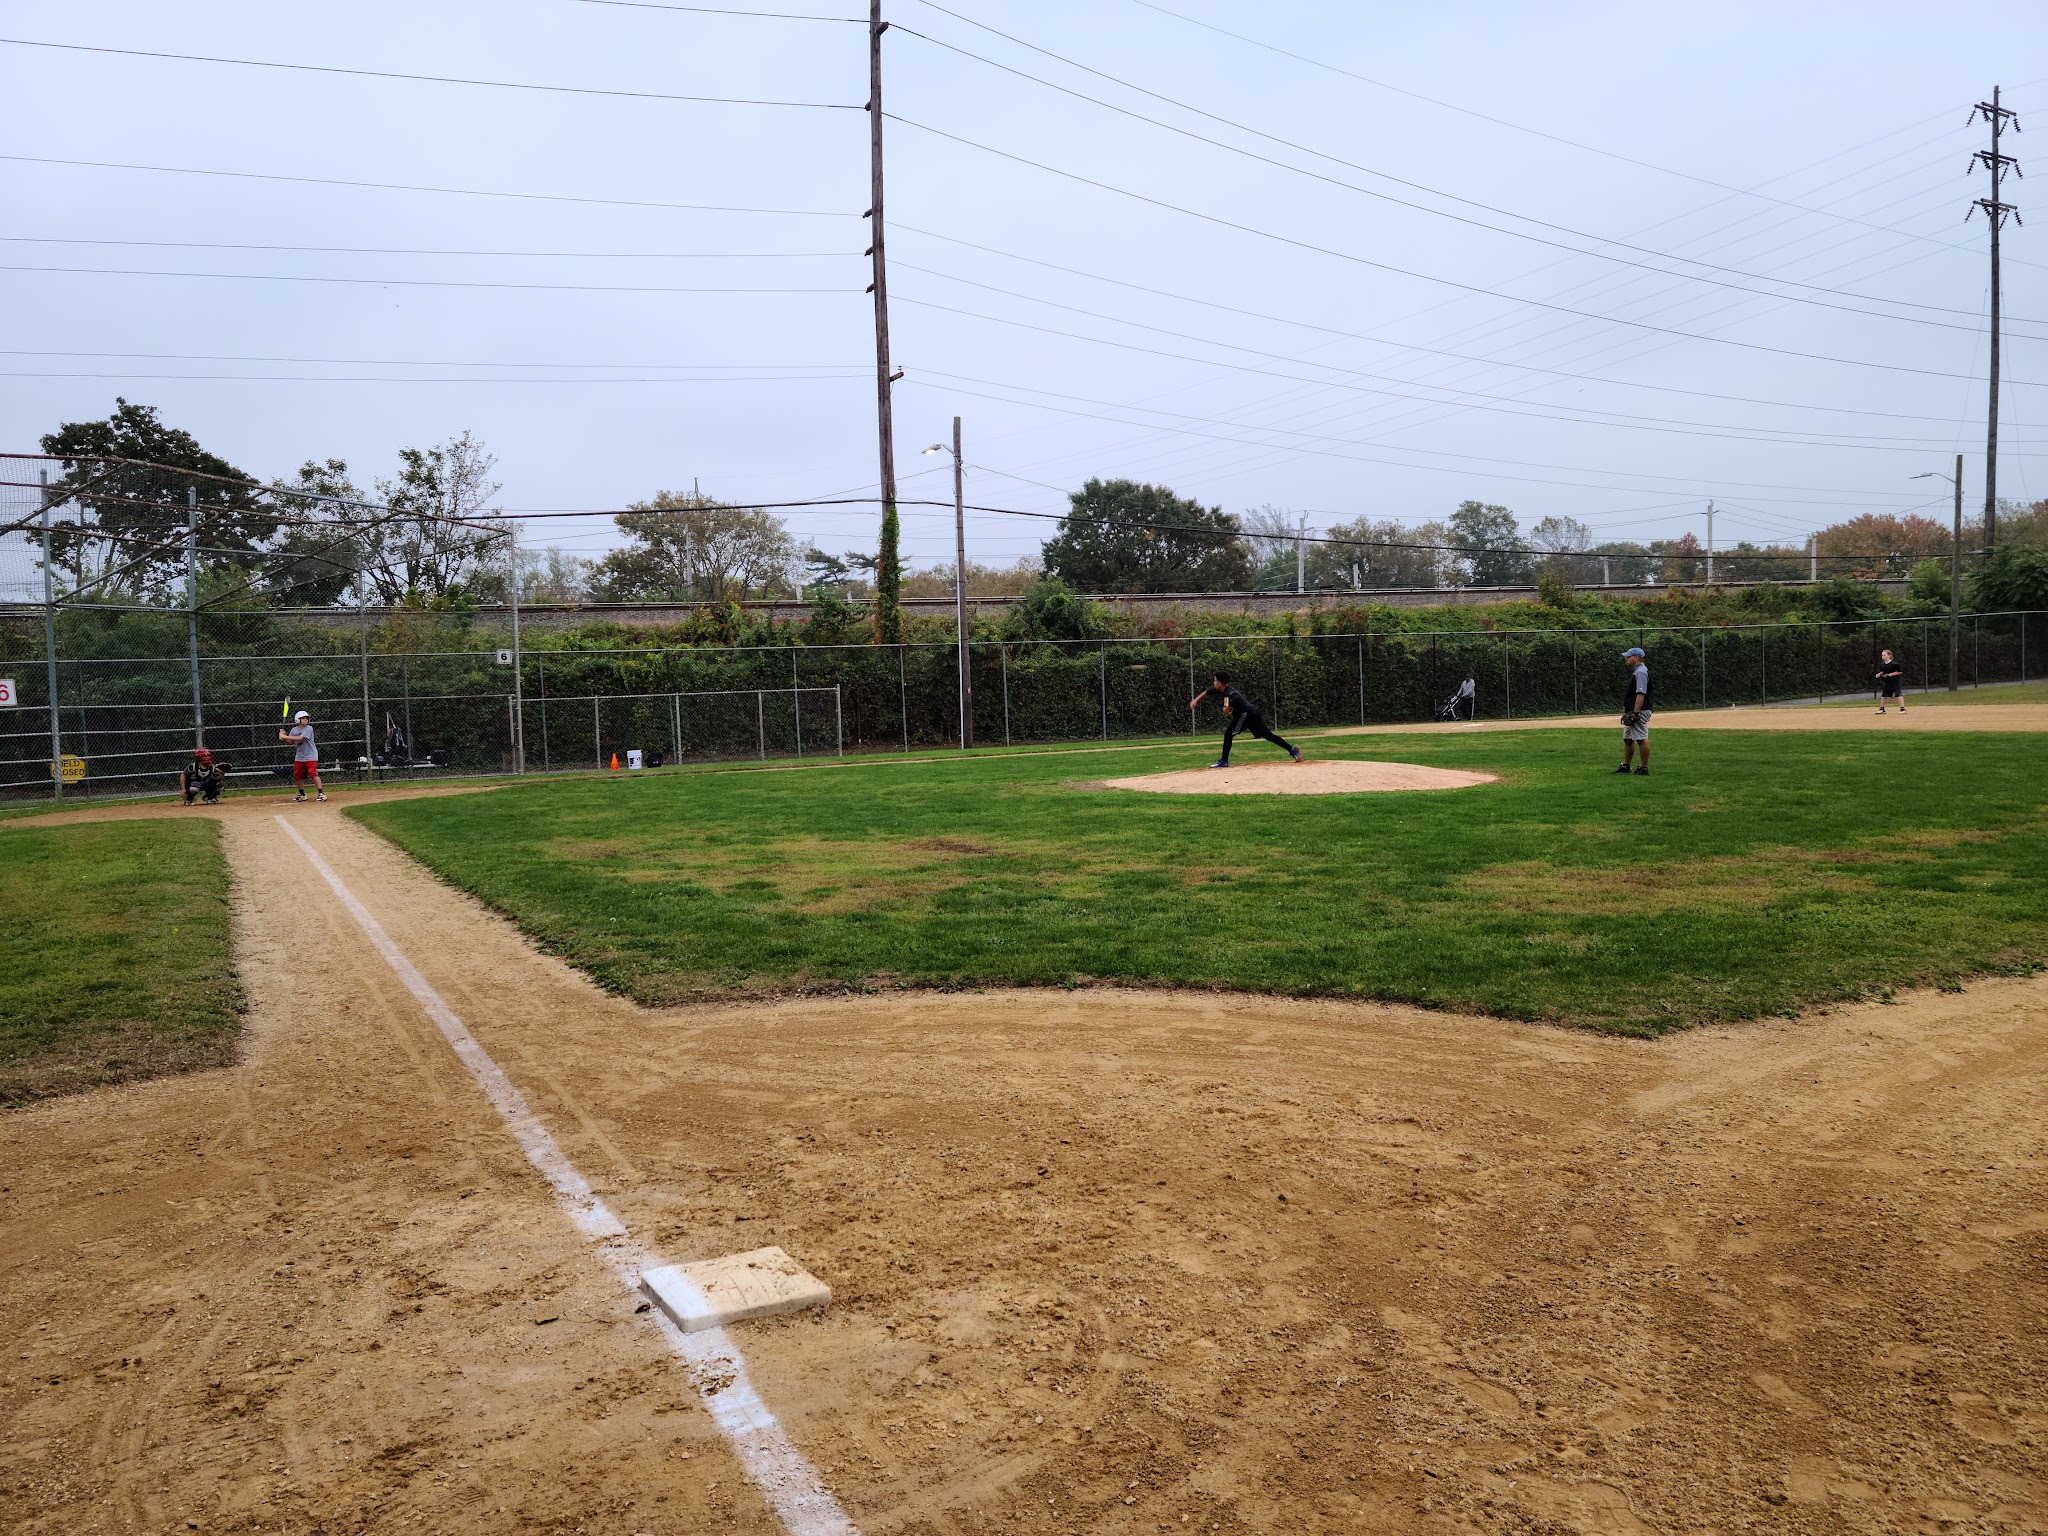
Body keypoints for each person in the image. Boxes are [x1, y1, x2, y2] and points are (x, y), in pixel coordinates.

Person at [1189, 670, 1302, 768]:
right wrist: (1195, 701)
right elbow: (1207, 692)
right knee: (1268, 735)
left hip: (1247, 715)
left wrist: (1225, 710)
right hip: (1252, 713)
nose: (1213, 683)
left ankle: (1224, 761)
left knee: (1228, 734)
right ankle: (1292, 750)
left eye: (1215, 680)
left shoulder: (1232, 694)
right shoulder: (1221, 689)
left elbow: (1228, 711)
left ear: (1219, 683)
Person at [1615, 646, 1652, 776]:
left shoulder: (1640, 672)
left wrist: (1636, 712)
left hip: (1639, 710)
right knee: (1628, 739)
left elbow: (1641, 693)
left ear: (1636, 658)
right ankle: (1626, 765)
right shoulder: (1637, 671)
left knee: (1641, 738)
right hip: (1632, 710)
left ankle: (1644, 768)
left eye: (1628, 656)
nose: (1626, 658)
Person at [280, 709, 326, 802]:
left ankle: (321, 794)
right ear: (297, 720)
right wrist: (284, 737)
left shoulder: (309, 728)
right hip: (300, 756)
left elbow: (301, 738)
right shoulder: (294, 730)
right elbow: (290, 743)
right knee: (297, 776)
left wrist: (285, 736)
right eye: (303, 718)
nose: (306, 719)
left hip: (311, 755)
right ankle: (302, 794)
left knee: (313, 773)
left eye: (306, 718)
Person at [1875, 648, 1906, 715]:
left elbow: (1899, 672)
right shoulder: (1882, 664)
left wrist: (1889, 675)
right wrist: (1879, 674)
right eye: (1882, 655)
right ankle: (1882, 709)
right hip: (1888, 681)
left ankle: (1902, 709)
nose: (1882, 656)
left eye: (1884, 655)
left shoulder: (1894, 664)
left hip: (1895, 681)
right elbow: (1883, 671)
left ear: (1889, 656)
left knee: (1898, 694)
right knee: (1884, 695)